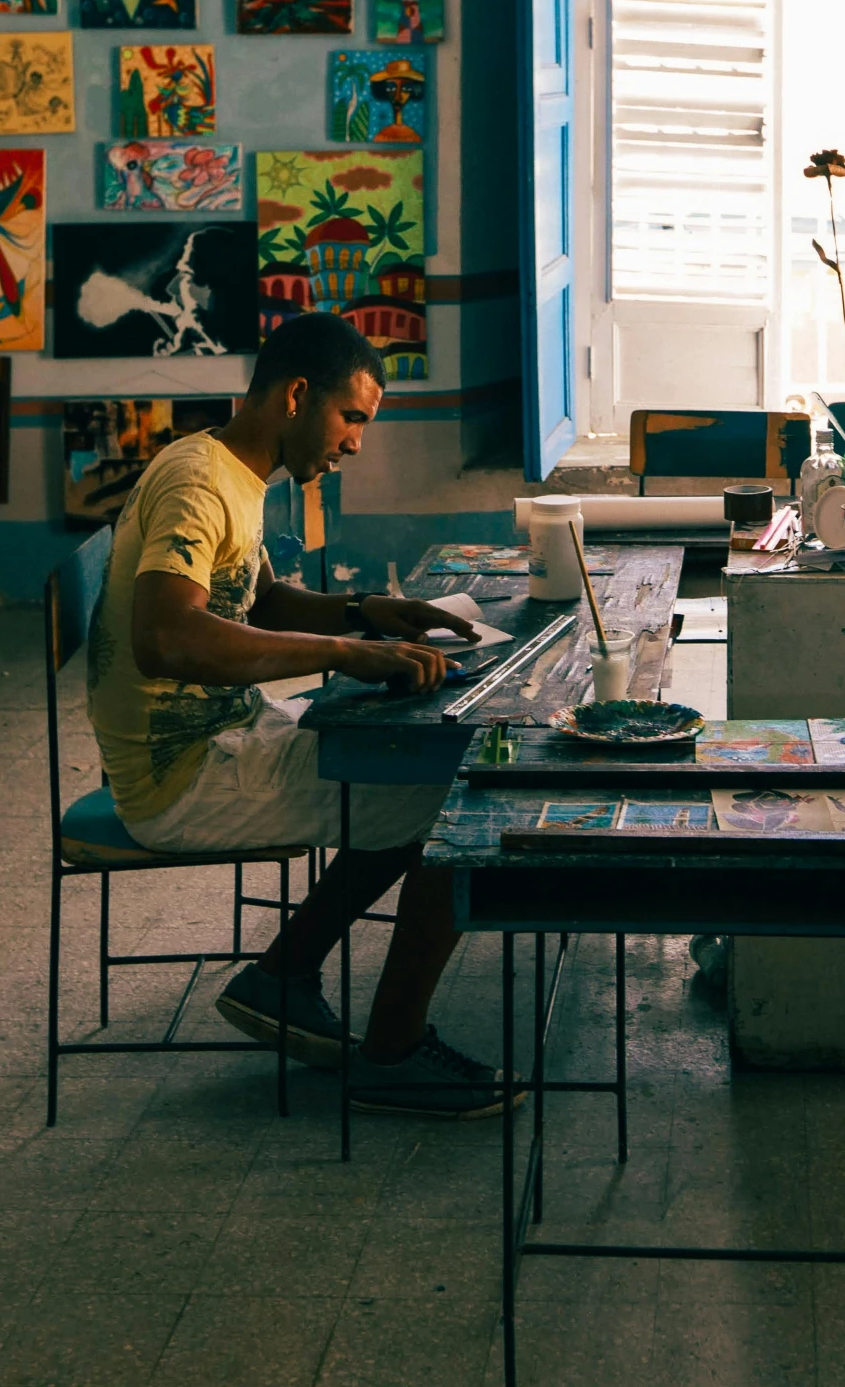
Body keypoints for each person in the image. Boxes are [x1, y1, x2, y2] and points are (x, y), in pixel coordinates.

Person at [85, 311, 515, 1119]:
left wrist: (363, 611)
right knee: (463, 814)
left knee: (406, 767)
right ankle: (390, 1051)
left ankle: (282, 976)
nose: (356, 441)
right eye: (351, 417)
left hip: (224, 733)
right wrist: (344, 655)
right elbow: (165, 636)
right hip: (181, 773)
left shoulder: (229, 469)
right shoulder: (198, 483)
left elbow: (257, 597)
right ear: (294, 396)